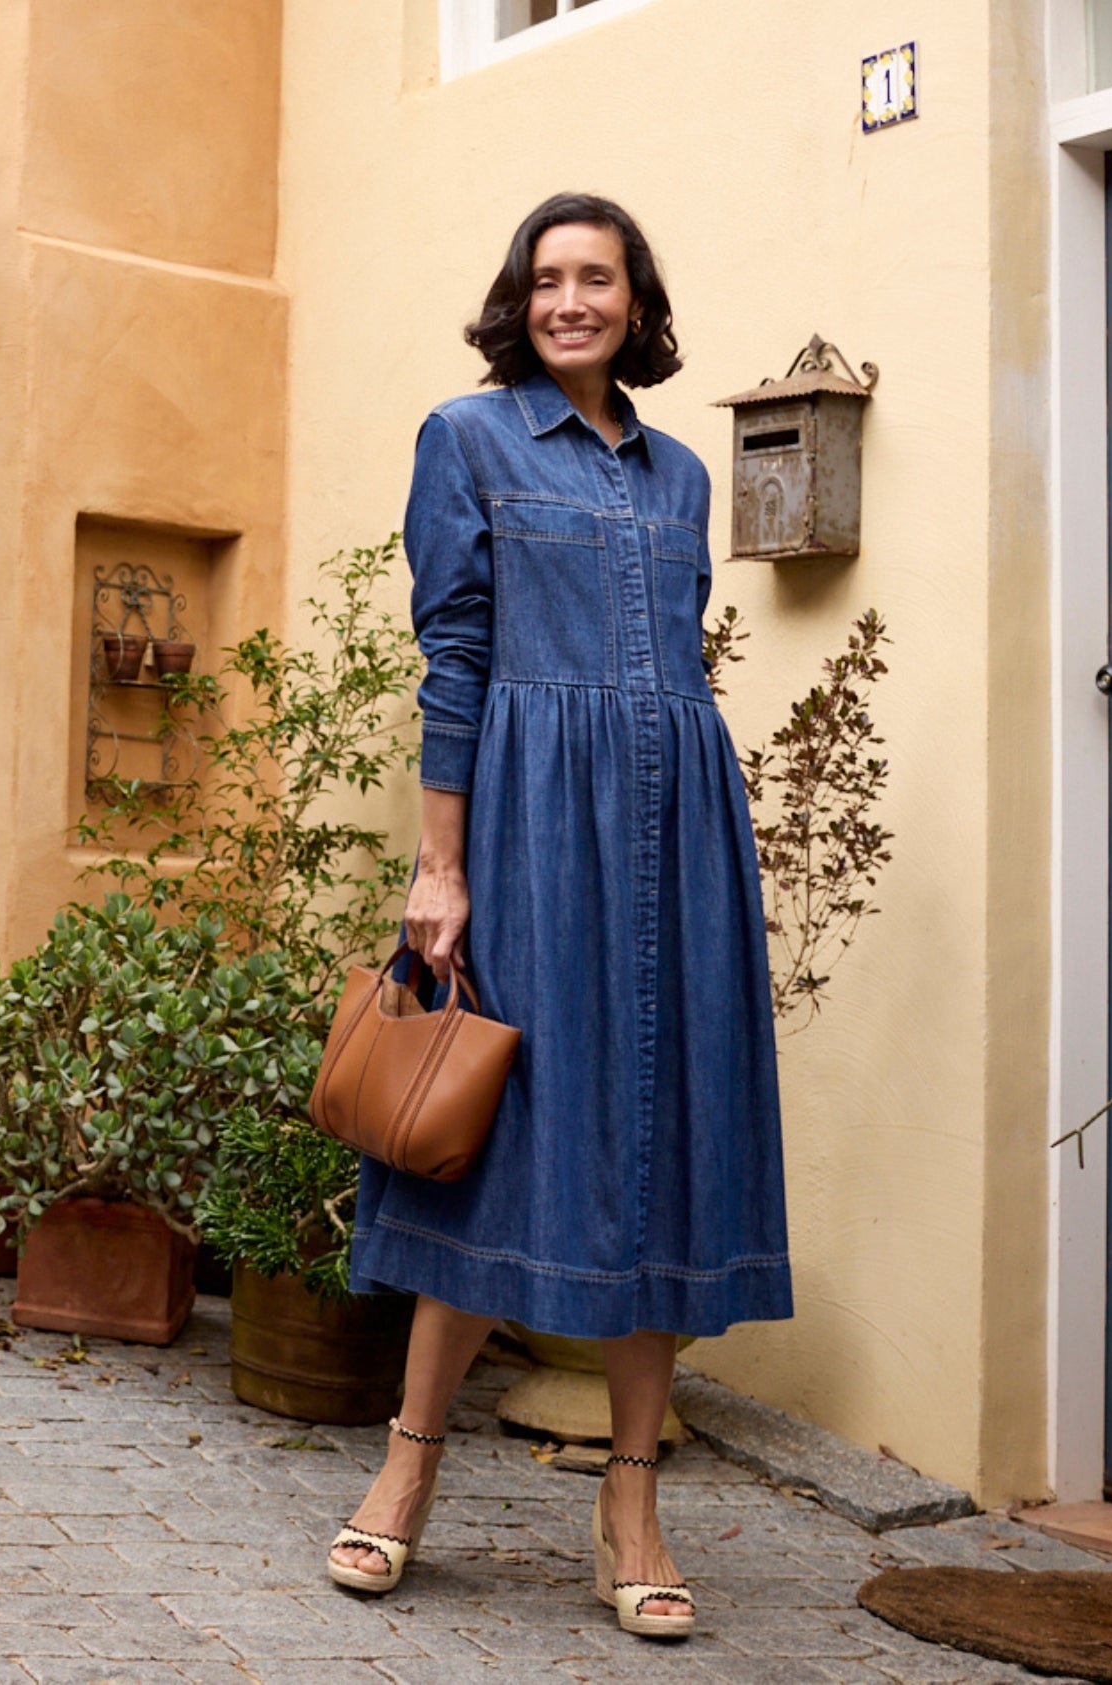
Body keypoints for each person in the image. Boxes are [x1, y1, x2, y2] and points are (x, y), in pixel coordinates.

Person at [327, 192, 793, 1641]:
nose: (570, 300)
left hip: (675, 833)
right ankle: (406, 1471)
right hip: (530, 830)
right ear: (518, 301)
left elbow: (678, 664)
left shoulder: (680, 477)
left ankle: (630, 1502)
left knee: (659, 1138)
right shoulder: (466, 441)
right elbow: (455, 657)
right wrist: (441, 867)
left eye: (597, 278)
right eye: (547, 279)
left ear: (636, 299)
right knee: (501, 1148)